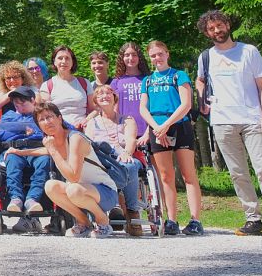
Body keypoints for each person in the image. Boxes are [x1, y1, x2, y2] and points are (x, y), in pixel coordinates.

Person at [196, 10, 262, 237]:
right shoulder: (206, 56)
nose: (216, 30)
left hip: (252, 120)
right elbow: (200, 80)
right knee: (238, 173)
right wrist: (202, 101)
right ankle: (254, 220)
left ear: (227, 25)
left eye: (219, 25)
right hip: (222, 122)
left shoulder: (249, 51)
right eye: (211, 28)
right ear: (207, 33)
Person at [140, 39, 204, 236]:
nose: (157, 58)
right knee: (166, 177)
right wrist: (157, 128)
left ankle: (195, 220)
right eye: (153, 55)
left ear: (167, 54)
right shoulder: (147, 80)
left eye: (160, 54)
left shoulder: (179, 75)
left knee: (188, 175)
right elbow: (143, 108)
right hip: (157, 128)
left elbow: (186, 104)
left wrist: (167, 125)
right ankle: (172, 220)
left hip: (179, 126)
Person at [35, 102, 116, 239]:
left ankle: (103, 221)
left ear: (60, 118)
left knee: (73, 188)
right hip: (81, 192)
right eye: (42, 119)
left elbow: (73, 177)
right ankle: (83, 223)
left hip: (105, 192)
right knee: (51, 186)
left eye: (49, 117)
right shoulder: (53, 142)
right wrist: (18, 152)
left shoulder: (75, 137)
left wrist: (53, 151)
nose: (47, 122)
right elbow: (41, 151)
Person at [83, 84, 143, 237]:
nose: (105, 95)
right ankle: (115, 203)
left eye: (108, 92)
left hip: (123, 155)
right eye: (100, 93)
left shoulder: (127, 120)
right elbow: (89, 145)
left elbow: (131, 140)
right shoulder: (92, 123)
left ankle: (131, 211)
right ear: (95, 100)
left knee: (129, 165)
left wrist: (126, 152)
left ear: (114, 97)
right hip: (102, 159)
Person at [0, 85, 49, 232]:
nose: (19, 105)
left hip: (36, 149)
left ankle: (32, 199)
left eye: (23, 102)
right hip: (14, 149)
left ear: (33, 100)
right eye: (16, 102)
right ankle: (16, 199)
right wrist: (23, 128)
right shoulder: (8, 116)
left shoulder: (41, 115)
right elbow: (0, 130)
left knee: (45, 161)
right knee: (11, 159)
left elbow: (55, 127)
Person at [40, 46, 91, 127]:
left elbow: (94, 110)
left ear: (72, 62)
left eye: (67, 58)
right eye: (60, 58)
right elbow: (46, 113)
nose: (64, 61)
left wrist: (86, 121)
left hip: (84, 129)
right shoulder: (46, 86)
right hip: (59, 129)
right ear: (54, 62)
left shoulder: (84, 83)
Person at [111, 42, 149, 140]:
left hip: (148, 130)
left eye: (134, 55)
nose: (130, 58)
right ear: (122, 58)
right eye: (127, 55)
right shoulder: (116, 81)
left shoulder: (148, 79)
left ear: (139, 57)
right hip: (126, 131)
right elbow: (114, 109)